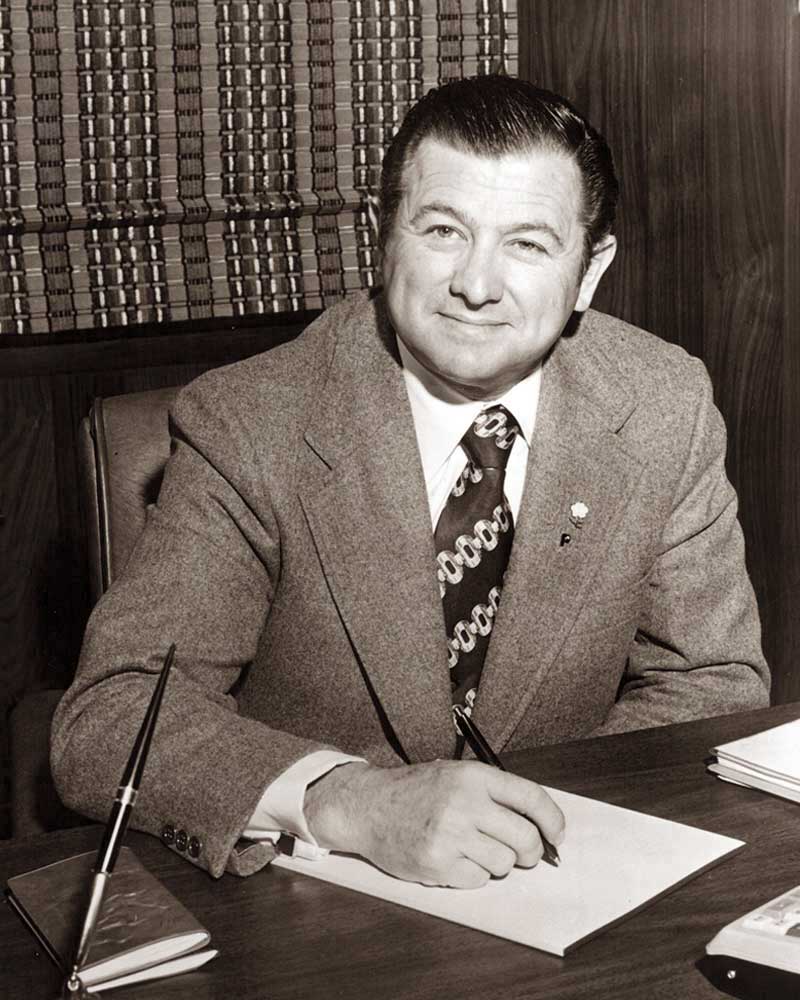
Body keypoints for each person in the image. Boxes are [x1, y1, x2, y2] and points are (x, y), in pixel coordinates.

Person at [51, 75, 769, 887]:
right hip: (314, 903)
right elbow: (109, 720)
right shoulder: (250, 421)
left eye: (528, 243)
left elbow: (713, 678)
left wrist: (523, 818)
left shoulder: (662, 404)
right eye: (442, 230)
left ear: (591, 269)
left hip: (561, 882)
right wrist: (350, 801)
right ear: (383, 235)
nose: (476, 284)